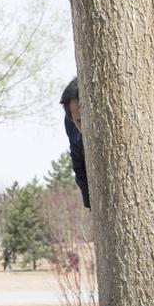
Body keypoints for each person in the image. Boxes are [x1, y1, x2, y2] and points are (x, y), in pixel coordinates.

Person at [60, 77, 90, 209]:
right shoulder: (70, 125)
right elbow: (78, 163)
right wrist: (90, 203)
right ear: (71, 119)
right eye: (79, 121)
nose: (86, 127)